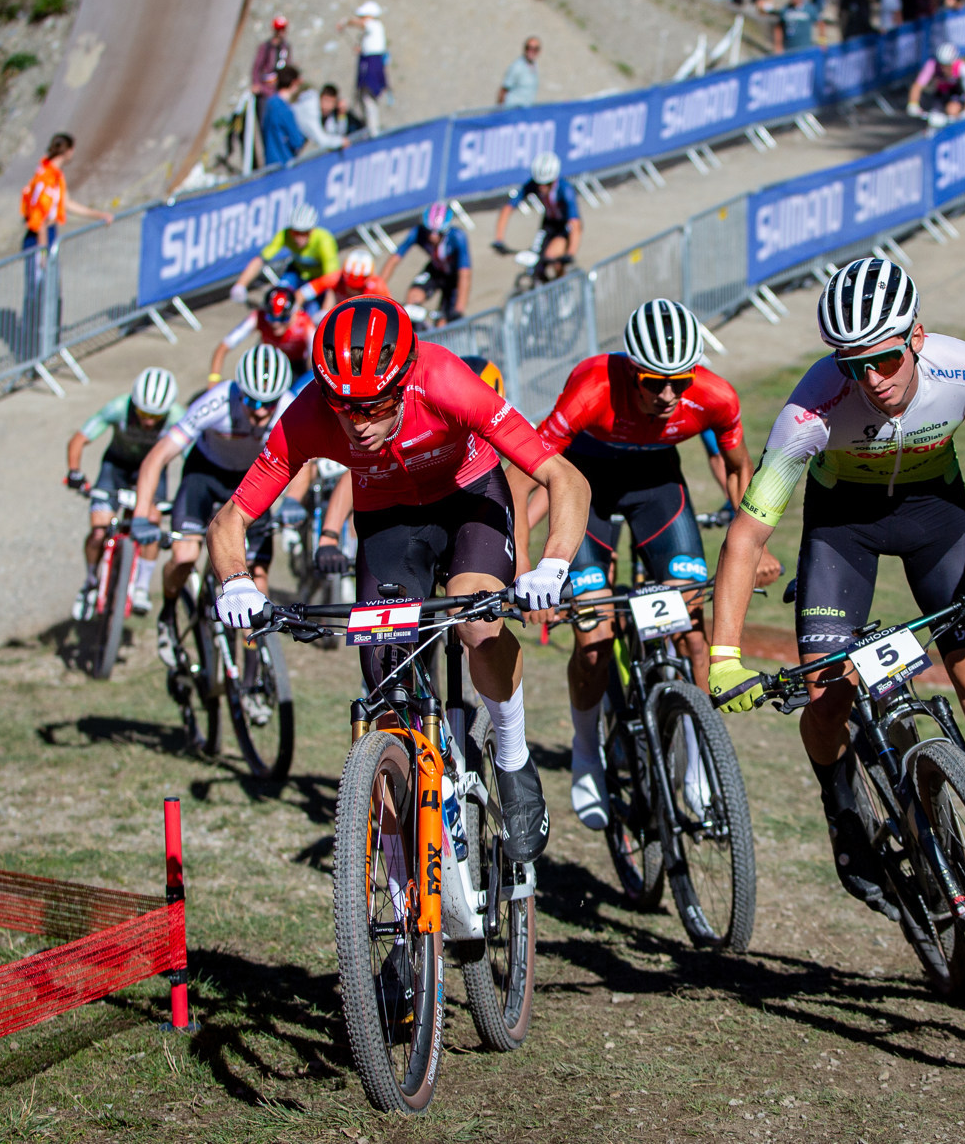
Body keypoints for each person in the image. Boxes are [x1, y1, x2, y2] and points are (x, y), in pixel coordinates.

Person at [705, 258, 965, 916]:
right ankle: (844, 814)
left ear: (916, 337)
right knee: (824, 698)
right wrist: (723, 655)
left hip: (936, 516)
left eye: (885, 360)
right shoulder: (811, 408)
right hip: (843, 531)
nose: (872, 380)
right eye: (853, 364)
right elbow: (745, 537)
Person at [207, 296, 597, 864]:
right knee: (385, 692)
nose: (358, 423)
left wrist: (555, 562)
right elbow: (230, 520)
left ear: (403, 381)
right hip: (389, 521)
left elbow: (563, 477)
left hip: (469, 499)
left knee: (474, 619)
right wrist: (236, 582)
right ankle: (396, 897)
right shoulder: (310, 413)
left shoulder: (442, 379)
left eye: (374, 406)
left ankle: (513, 758)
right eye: (344, 407)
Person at [515, 299, 780, 830]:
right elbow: (528, 475)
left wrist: (757, 544)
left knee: (693, 631)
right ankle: (586, 750)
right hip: (588, 486)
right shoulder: (590, 387)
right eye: (652, 382)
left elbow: (737, 467)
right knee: (593, 639)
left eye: (679, 382)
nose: (666, 396)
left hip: (658, 488)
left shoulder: (716, 396)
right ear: (629, 370)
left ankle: (694, 751)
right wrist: (526, 566)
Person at [130, 344, 297, 669]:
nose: (261, 412)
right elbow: (159, 455)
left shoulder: (288, 408)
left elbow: (307, 463)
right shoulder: (218, 400)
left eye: (269, 404)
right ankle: (168, 613)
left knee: (256, 578)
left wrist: (292, 501)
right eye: (252, 401)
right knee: (185, 555)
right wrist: (140, 512)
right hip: (204, 475)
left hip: (250, 480)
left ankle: (253, 677)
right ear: (239, 392)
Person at [65, 367, 183, 619]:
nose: (148, 422)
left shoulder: (178, 416)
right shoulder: (119, 407)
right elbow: (79, 438)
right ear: (133, 404)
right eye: (142, 413)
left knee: (152, 525)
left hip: (152, 472)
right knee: (99, 529)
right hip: (116, 467)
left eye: (156, 416)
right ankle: (89, 582)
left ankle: (141, 586)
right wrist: (74, 471)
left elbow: (193, 455)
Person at [491, 152, 582, 282]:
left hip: (565, 226)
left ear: (554, 180)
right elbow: (508, 209)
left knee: (551, 256)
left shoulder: (565, 190)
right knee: (536, 261)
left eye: (546, 184)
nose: (542, 188)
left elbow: (575, 224)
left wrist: (570, 254)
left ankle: (563, 287)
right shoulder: (533, 185)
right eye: (539, 184)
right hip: (548, 224)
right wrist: (499, 239)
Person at [22, 133, 115, 255]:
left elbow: (67, 203)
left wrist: (99, 215)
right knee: (42, 272)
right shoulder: (45, 178)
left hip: (50, 232)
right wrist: (43, 252)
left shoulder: (57, 174)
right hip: (39, 238)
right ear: (68, 151)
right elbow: (40, 217)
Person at [229, 202, 339, 301]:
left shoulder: (325, 241)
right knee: (279, 296)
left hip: (318, 280)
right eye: (295, 232)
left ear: (312, 230)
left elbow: (332, 278)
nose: (298, 238)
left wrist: (306, 292)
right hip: (296, 272)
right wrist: (241, 285)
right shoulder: (284, 234)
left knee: (312, 310)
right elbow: (260, 260)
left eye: (304, 233)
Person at [383, 202, 472, 324]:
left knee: (444, 322)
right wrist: (377, 288)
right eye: (429, 231)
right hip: (435, 270)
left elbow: (464, 274)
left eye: (438, 233)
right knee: (413, 298)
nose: (433, 237)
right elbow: (394, 259)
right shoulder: (418, 232)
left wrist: (459, 309)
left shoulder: (458, 237)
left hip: (453, 278)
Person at [339, 1, 389, 126]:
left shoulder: (374, 25)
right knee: (363, 98)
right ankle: (369, 126)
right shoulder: (374, 30)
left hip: (370, 66)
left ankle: (373, 129)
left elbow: (364, 24)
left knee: (369, 98)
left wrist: (346, 22)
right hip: (369, 63)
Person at [908, 42, 965, 121]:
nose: (943, 68)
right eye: (941, 64)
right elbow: (917, 86)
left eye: (947, 65)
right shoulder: (932, 65)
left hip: (957, 95)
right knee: (934, 117)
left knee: (952, 110)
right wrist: (913, 104)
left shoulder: (963, 68)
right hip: (940, 95)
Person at [307, 248, 389, 310]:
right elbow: (305, 291)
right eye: (351, 287)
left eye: (358, 289)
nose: (353, 292)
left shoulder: (377, 286)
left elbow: (391, 309)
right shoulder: (336, 278)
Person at [294, 82, 363, 152]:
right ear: (320, 98)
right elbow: (321, 140)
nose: (328, 106)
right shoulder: (311, 109)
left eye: (331, 102)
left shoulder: (330, 113)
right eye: (326, 100)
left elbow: (338, 134)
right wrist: (340, 142)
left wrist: (341, 114)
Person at [261, 67, 307, 167]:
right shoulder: (284, 109)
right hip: (284, 162)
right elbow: (297, 141)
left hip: (270, 162)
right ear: (294, 83)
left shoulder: (270, 104)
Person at [252, 16, 295, 113]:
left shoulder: (286, 47)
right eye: (279, 30)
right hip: (265, 90)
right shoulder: (266, 47)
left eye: (283, 30)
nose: (281, 32)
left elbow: (287, 66)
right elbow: (257, 66)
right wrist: (256, 83)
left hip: (279, 90)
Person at [498, 37, 542, 109]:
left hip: (525, 111)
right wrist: (500, 113)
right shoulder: (517, 67)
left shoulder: (534, 65)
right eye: (528, 47)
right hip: (513, 110)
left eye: (535, 49)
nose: (531, 51)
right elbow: (504, 90)